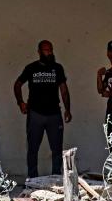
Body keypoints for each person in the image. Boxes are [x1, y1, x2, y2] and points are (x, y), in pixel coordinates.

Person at [14, 40, 72, 178]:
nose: (49, 52)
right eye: (46, 50)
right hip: (35, 114)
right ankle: (32, 180)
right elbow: (17, 84)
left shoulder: (57, 68)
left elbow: (64, 90)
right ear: (39, 52)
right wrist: (20, 102)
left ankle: (57, 179)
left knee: (57, 149)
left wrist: (68, 109)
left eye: (50, 50)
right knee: (33, 149)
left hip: (54, 114)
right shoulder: (31, 68)